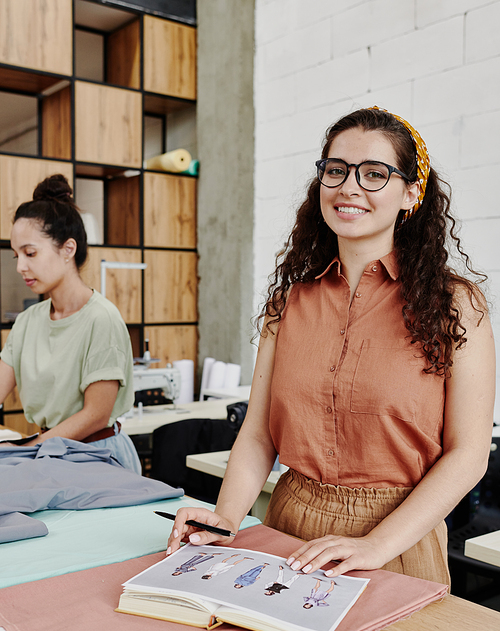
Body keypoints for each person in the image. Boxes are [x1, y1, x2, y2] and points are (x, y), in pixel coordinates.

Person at [167, 107, 495, 586]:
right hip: (289, 527)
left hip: (397, 537)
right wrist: (227, 517)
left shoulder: (456, 304)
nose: (350, 186)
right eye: (336, 170)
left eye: (375, 173)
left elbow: (468, 453)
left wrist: (375, 545)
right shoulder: (289, 304)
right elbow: (259, 435)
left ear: (411, 193)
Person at [0, 174, 141, 473]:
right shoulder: (26, 323)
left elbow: (95, 416)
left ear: (68, 249)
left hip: (98, 457)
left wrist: (27, 449)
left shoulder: (101, 319)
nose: (20, 266)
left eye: (30, 253)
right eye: (16, 255)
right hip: (50, 453)